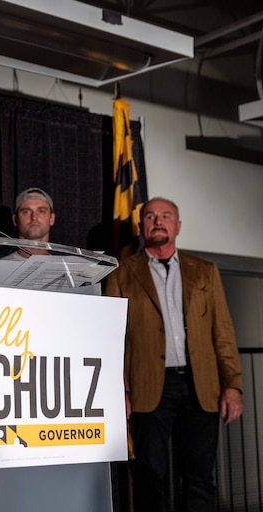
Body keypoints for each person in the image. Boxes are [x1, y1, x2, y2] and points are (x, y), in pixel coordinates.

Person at [104, 197, 243, 512]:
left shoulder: (205, 271)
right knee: (150, 476)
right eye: (151, 216)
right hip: (147, 388)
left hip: (200, 386)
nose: (158, 221)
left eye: (166, 215)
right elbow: (112, 338)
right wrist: (119, 390)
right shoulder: (122, 271)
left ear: (177, 226)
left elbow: (222, 332)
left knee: (199, 477)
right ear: (142, 226)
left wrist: (232, 384)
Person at [3, 187, 55, 260]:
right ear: (15, 220)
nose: (34, 217)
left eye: (41, 211)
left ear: (52, 219)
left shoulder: (67, 268)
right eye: (26, 212)